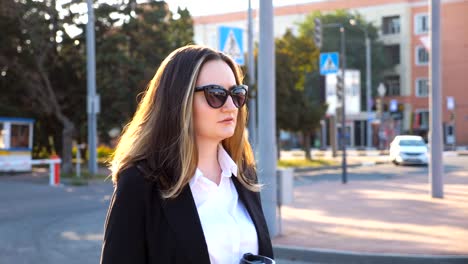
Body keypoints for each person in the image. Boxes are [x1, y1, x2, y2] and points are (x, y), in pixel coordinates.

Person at [100, 45, 274, 264]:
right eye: (216, 94)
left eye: (237, 94)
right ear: (179, 99)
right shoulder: (139, 182)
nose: (231, 106)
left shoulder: (244, 174)